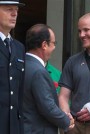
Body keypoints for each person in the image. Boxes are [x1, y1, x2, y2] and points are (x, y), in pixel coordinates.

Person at [23, 24, 74, 134]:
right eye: (53, 43)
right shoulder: (39, 71)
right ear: (44, 45)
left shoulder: (20, 65)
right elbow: (48, 107)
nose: (54, 47)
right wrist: (67, 121)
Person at [0, 0, 25, 134]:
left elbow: (19, 94)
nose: (14, 13)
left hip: (13, 126)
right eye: (9, 9)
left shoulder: (19, 47)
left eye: (16, 10)